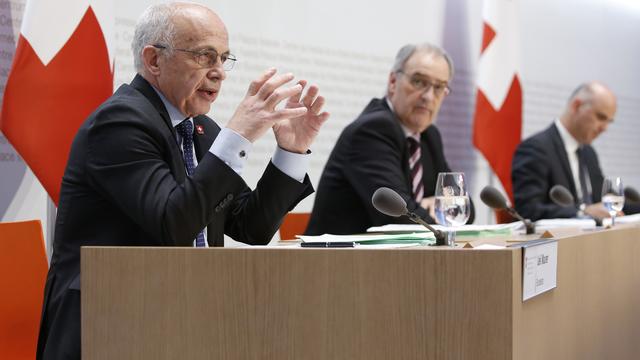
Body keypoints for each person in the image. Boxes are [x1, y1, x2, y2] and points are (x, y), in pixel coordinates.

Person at [36, 3, 329, 359]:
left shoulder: (202, 130)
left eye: (223, 58)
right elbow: (173, 225)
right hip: (111, 321)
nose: (219, 72)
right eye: (205, 57)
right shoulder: (120, 123)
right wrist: (238, 137)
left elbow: (251, 226)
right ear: (154, 60)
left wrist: (291, 151)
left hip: (183, 313)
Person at [305, 43, 474, 235]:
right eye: (419, 82)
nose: (428, 96)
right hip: (338, 261)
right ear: (393, 81)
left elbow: (465, 209)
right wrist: (438, 209)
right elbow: (400, 218)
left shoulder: (429, 136)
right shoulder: (373, 130)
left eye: (438, 87)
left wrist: (436, 204)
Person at [512, 81, 638, 221]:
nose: (605, 128)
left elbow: (609, 200)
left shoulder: (588, 153)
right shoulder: (536, 148)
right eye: (601, 117)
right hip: (558, 241)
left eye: (609, 121)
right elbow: (528, 210)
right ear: (576, 106)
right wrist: (584, 211)